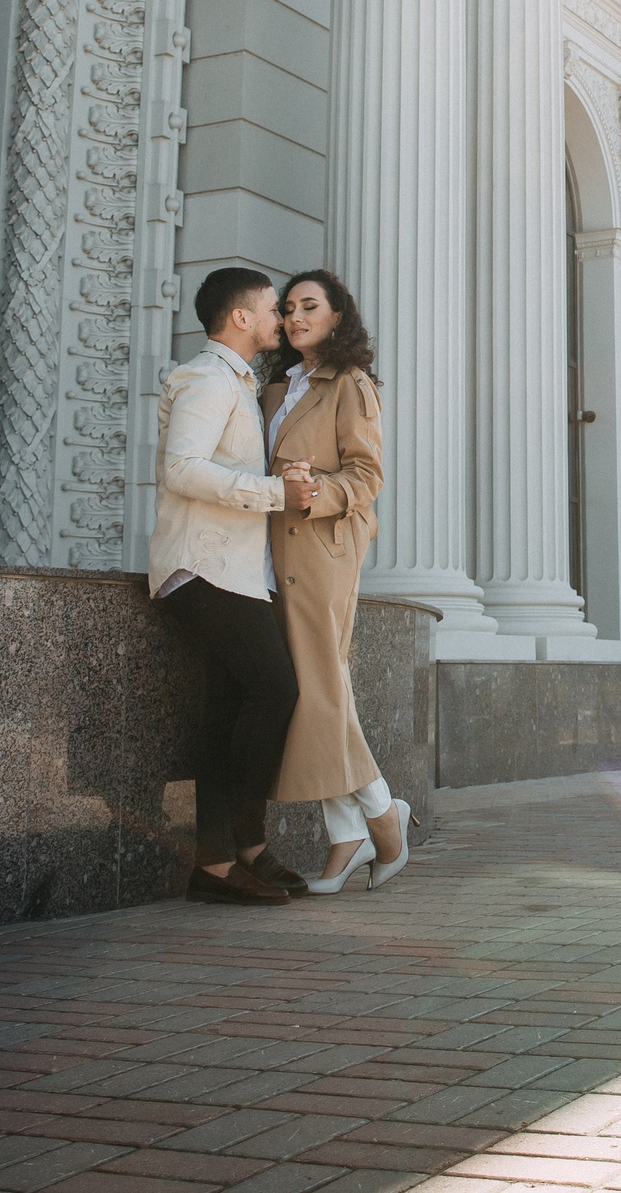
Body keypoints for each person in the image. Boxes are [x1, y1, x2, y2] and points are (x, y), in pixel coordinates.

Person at [149, 266, 306, 906]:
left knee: (226, 714)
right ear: (241, 318)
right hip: (203, 569)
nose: (281, 319)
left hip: (236, 571)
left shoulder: (241, 384)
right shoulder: (209, 379)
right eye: (273, 308)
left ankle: (223, 862)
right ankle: (242, 848)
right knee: (277, 690)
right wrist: (277, 492)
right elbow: (182, 468)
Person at [264, 269, 414, 893]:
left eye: (310, 306)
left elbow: (366, 476)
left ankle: (379, 821)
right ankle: (354, 828)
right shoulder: (277, 388)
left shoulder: (350, 384)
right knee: (315, 689)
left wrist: (314, 491)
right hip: (270, 552)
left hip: (322, 547)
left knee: (320, 685)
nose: (297, 317)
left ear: (336, 316)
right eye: (289, 308)